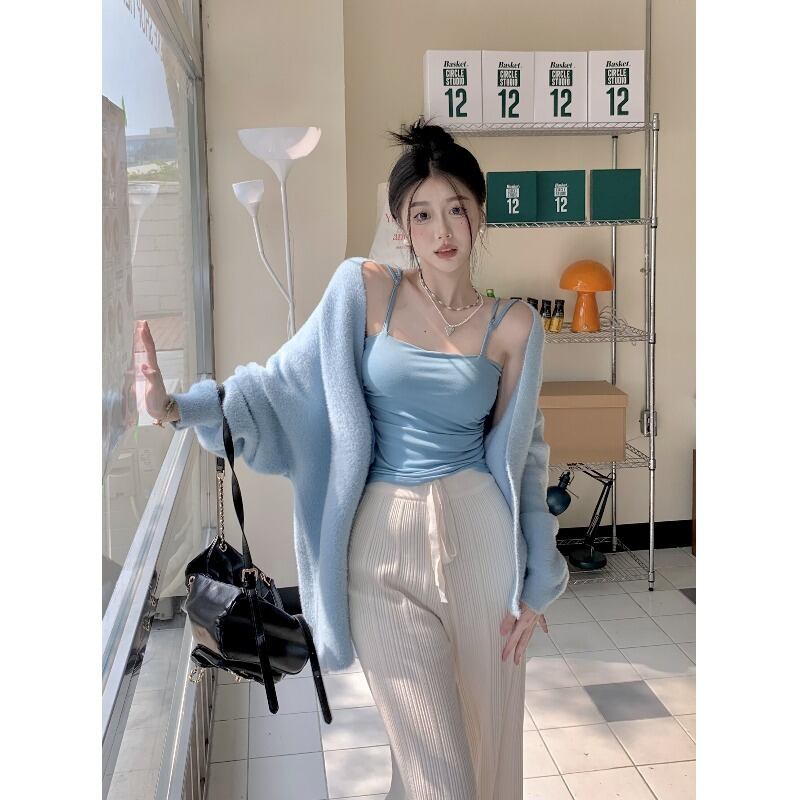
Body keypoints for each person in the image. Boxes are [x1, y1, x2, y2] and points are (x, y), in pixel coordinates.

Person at [138, 117, 569, 799]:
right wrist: (172, 407)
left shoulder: (513, 324)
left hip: (483, 547)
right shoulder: (366, 291)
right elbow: (278, 385)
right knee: (442, 778)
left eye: (456, 208)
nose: (442, 229)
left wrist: (538, 583)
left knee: (484, 750)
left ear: (480, 213)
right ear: (401, 226)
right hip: (381, 553)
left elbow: (527, 454)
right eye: (422, 213)